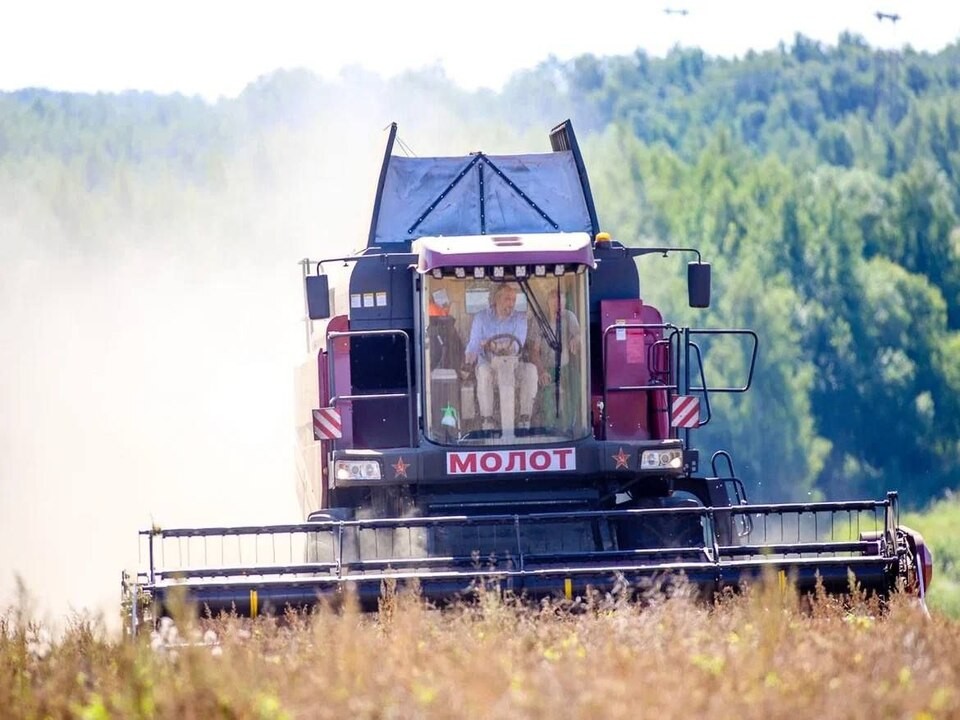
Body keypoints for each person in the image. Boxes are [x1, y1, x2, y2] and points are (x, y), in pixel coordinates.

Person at [464, 283, 538, 431]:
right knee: (483, 373)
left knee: (530, 370)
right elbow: (474, 344)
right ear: (496, 300)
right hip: (489, 366)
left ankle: (525, 418)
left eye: (513, 300)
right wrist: (469, 357)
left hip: (514, 366)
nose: (511, 304)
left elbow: (516, 345)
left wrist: (494, 346)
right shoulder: (481, 318)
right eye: (507, 299)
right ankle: (487, 420)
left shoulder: (520, 319)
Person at [529, 288, 581, 434]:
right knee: (548, 393)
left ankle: (569, 426)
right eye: (554, 299)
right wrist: (541, 371)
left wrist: (576, 339)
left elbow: (578, 335)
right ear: (548, 302)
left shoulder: (569, 317)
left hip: (565, 368)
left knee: (575, 384)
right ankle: (548, 429)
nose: (557, 303)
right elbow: (534, 351)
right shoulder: (539, 320)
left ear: (565, 302)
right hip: (545, 368)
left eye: (560, 299)